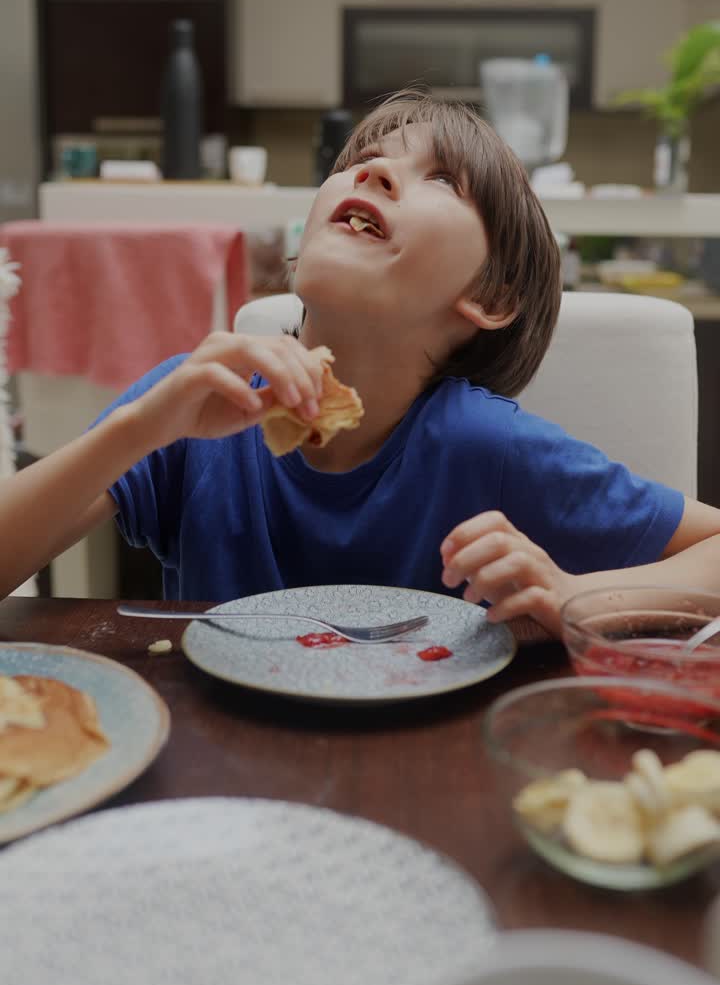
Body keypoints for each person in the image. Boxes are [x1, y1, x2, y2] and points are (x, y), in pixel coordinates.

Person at [2, 91, 720, 639]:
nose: (371, 169)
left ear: (490, 295)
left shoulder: (482, 447)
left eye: (440, 177)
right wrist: (137, 430)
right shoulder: (188, 405)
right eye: (358, 162)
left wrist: (574, 596)